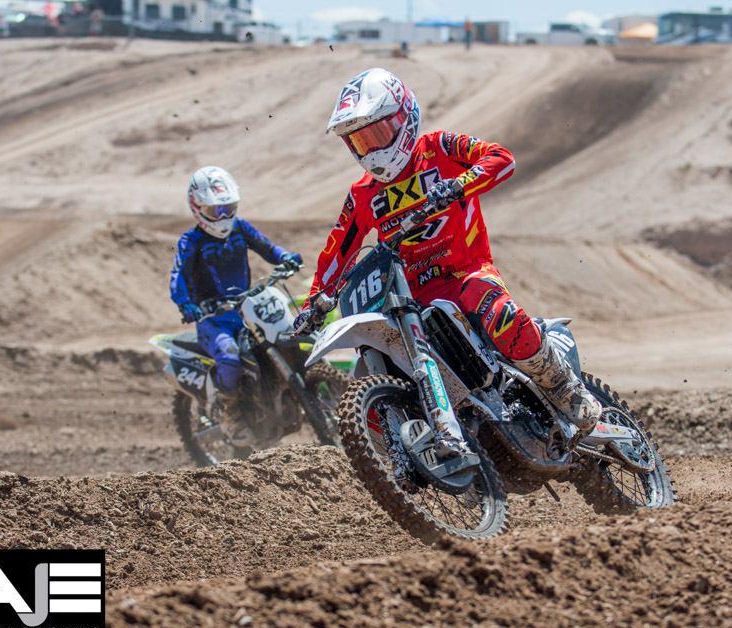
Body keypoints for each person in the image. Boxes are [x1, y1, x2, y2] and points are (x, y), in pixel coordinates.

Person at [294, 68, 601, 431]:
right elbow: (336, 253)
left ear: (403, 118)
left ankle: (564, 387)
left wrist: (459, 184)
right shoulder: (363, 194)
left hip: (466, 273)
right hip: (411, 299)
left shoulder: (440, 147)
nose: (372, 150)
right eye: (360, 142)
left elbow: (501, 158)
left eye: (376, 134)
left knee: (498, 313)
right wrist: (314, 303)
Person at [170, 166, 302, 439]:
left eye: (229, 208)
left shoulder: (240, 227)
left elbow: (267, 247)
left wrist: (285, 257)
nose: (224, 216)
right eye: (216, 210)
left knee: (283, 337)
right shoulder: (190, 241)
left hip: (246, 310)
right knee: (230, 358)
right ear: (197, 208)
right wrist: (185, 304)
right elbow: (178, 276)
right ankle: (230, 411)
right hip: (213, 319)